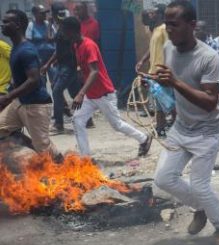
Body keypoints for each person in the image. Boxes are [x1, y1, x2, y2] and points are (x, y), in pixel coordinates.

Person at [152, 1, 219, 245]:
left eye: (174, 24)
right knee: (163, 178)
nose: (169, 29)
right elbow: (174, 83)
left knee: (199, 184)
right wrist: (162, 82)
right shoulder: (168, 47)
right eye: (166, 24)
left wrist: (175, 82)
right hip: (182, 127)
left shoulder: (209, 57)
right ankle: (199, 208)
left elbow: (210, 102)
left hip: (207, 131)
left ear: (192, 25)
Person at [61, 17, 152, 157]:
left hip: (104, 94)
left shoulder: (88, 45)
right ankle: (86, 157)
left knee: (117, 125)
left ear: (71, 31)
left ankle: (144, 138)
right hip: (91, 95)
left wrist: (80, 93)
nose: (63, 35)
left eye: (64, 32)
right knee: (77, 120)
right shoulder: (76, 45)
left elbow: (95, 71)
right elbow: (83, 66)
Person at [0, 9, 60, 160]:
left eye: (7, 22)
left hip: (36, 105)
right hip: (20, 103)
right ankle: (33, 147)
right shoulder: (16, 47)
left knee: (45, 150)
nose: (3, 24)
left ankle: (66, 171)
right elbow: (19, 78)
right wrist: (9, 92)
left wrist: (7, 98)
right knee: (2, 128)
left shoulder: (26, 50)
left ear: (18, 25)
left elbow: (34, 80)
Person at [40, 6, 82, 134]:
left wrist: (51, 22)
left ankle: (59, 124)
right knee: (73, 91)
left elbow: (50, 39)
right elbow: (57, 49)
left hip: (68, 66)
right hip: (63, 65)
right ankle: (87, 119)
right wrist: (48, 64)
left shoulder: (65, 28)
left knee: (57, 91)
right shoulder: (61, 28)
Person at [136, 4, 170, 137]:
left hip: (161, 72)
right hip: (153, 72)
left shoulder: (164, 29)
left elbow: (169, 49)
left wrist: (167, 70)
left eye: (153, 13)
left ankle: (174, 127)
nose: (151, 15)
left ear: (161, 15)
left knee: (167, 102)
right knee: (159, 103)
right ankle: (160, 128)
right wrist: (142, 61)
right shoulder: (155, 30)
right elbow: (152, 49)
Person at [26, 5, 55, 80]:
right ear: (35, 14)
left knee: (55, 80)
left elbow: (56, 38)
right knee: (42, 81)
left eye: (45, 13)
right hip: (39, 58)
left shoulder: (49, 24)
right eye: (42, 13)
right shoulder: (31, 25)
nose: (44, 15)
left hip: (51, 57)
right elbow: (28, 43)